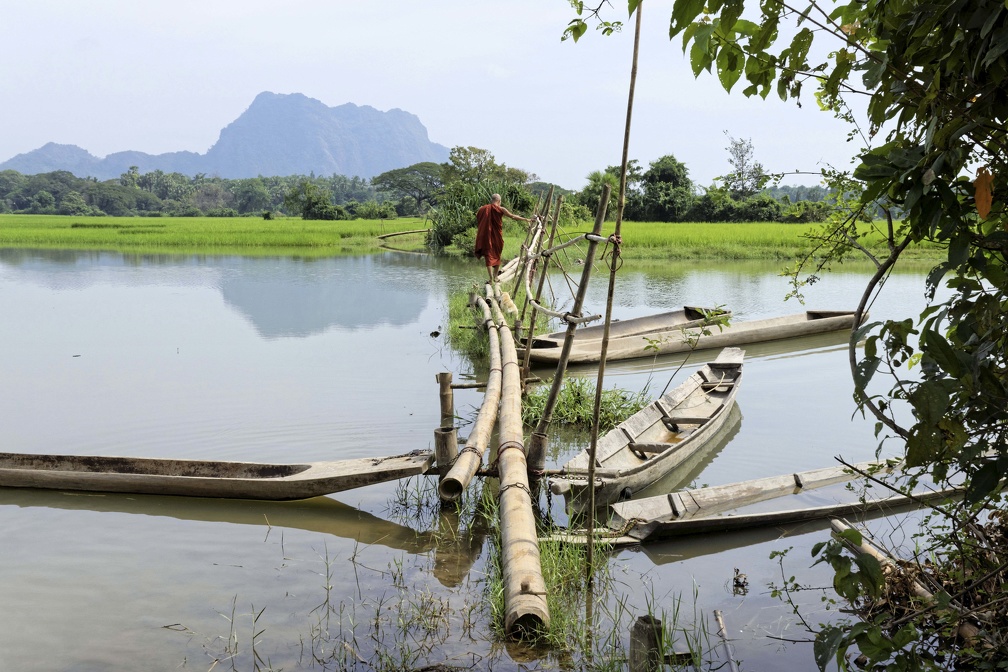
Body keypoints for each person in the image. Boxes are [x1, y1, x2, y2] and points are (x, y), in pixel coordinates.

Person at [474, 193, 531, 284]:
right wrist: (526, 219)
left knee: (488, 256)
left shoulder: (482, 209)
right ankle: (495, 277)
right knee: (497, 255)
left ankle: (491, 278)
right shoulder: (501, 209)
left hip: (486, 236)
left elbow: (478, 216)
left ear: (492, 200)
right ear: (499, 201)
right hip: (497, 237)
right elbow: (513, 216)